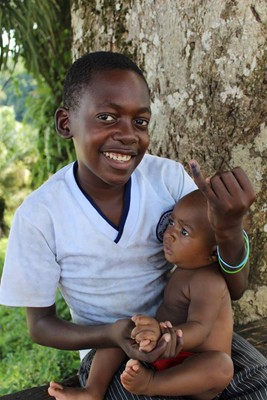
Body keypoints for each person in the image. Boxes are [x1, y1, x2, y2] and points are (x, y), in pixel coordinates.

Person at [0, 51, 266, 400]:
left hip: (185, 332)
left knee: (257, 384)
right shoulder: (41, 215)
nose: (127, 135)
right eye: (107, 117)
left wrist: (229, 229)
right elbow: (41, 327)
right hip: (109, 350)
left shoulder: (167, 178)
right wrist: (112, 334)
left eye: (140, 122)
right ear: (66, 123)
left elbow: (232, 287)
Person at [49, 189, 234, 400]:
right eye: (172, 222)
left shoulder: (209, 281)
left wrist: (164, 336)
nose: (170, 233)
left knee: (221, 366)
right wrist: (151, 333)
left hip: (194, 366)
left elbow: (200, 329)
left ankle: (151, 384)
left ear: (213, 253)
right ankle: (92, 390)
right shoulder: (186, 265)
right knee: (120, 333)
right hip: (164, 350)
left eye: (184, 232)